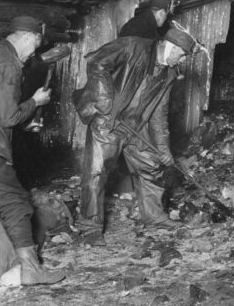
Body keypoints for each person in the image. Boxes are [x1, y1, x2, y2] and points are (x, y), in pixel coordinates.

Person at [73, 28, 194, 246]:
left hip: (136, 125)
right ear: (171, 47)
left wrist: (164, 149)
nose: (182, 60)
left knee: (152, 164)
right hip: (108, 121)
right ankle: (90, 228)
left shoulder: (169, 73)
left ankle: (154, 217)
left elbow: (159, 114)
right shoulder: (133, 46)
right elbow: (97, 61)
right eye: (183, 54)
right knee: (96, 172)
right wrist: (104, 100)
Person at [0, 16, 65, 285]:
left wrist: (25, 123)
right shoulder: (8, 63)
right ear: (27, 36)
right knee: (16, 202)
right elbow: (8, 117)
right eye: (36, 43)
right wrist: (35, 101)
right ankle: (31, 270)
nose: (34, 51)